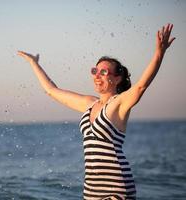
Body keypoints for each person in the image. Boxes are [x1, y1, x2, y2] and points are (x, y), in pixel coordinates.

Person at [17, 23, 175, 200]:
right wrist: (34, 63)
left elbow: (140, 87)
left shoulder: (119, 104)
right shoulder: (89, 104)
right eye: (95, 71)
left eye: (103, 72)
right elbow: (52, 90)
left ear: (117, 78)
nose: (96, 75)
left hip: (117, 189)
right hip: (91, 189)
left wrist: (159, 54)